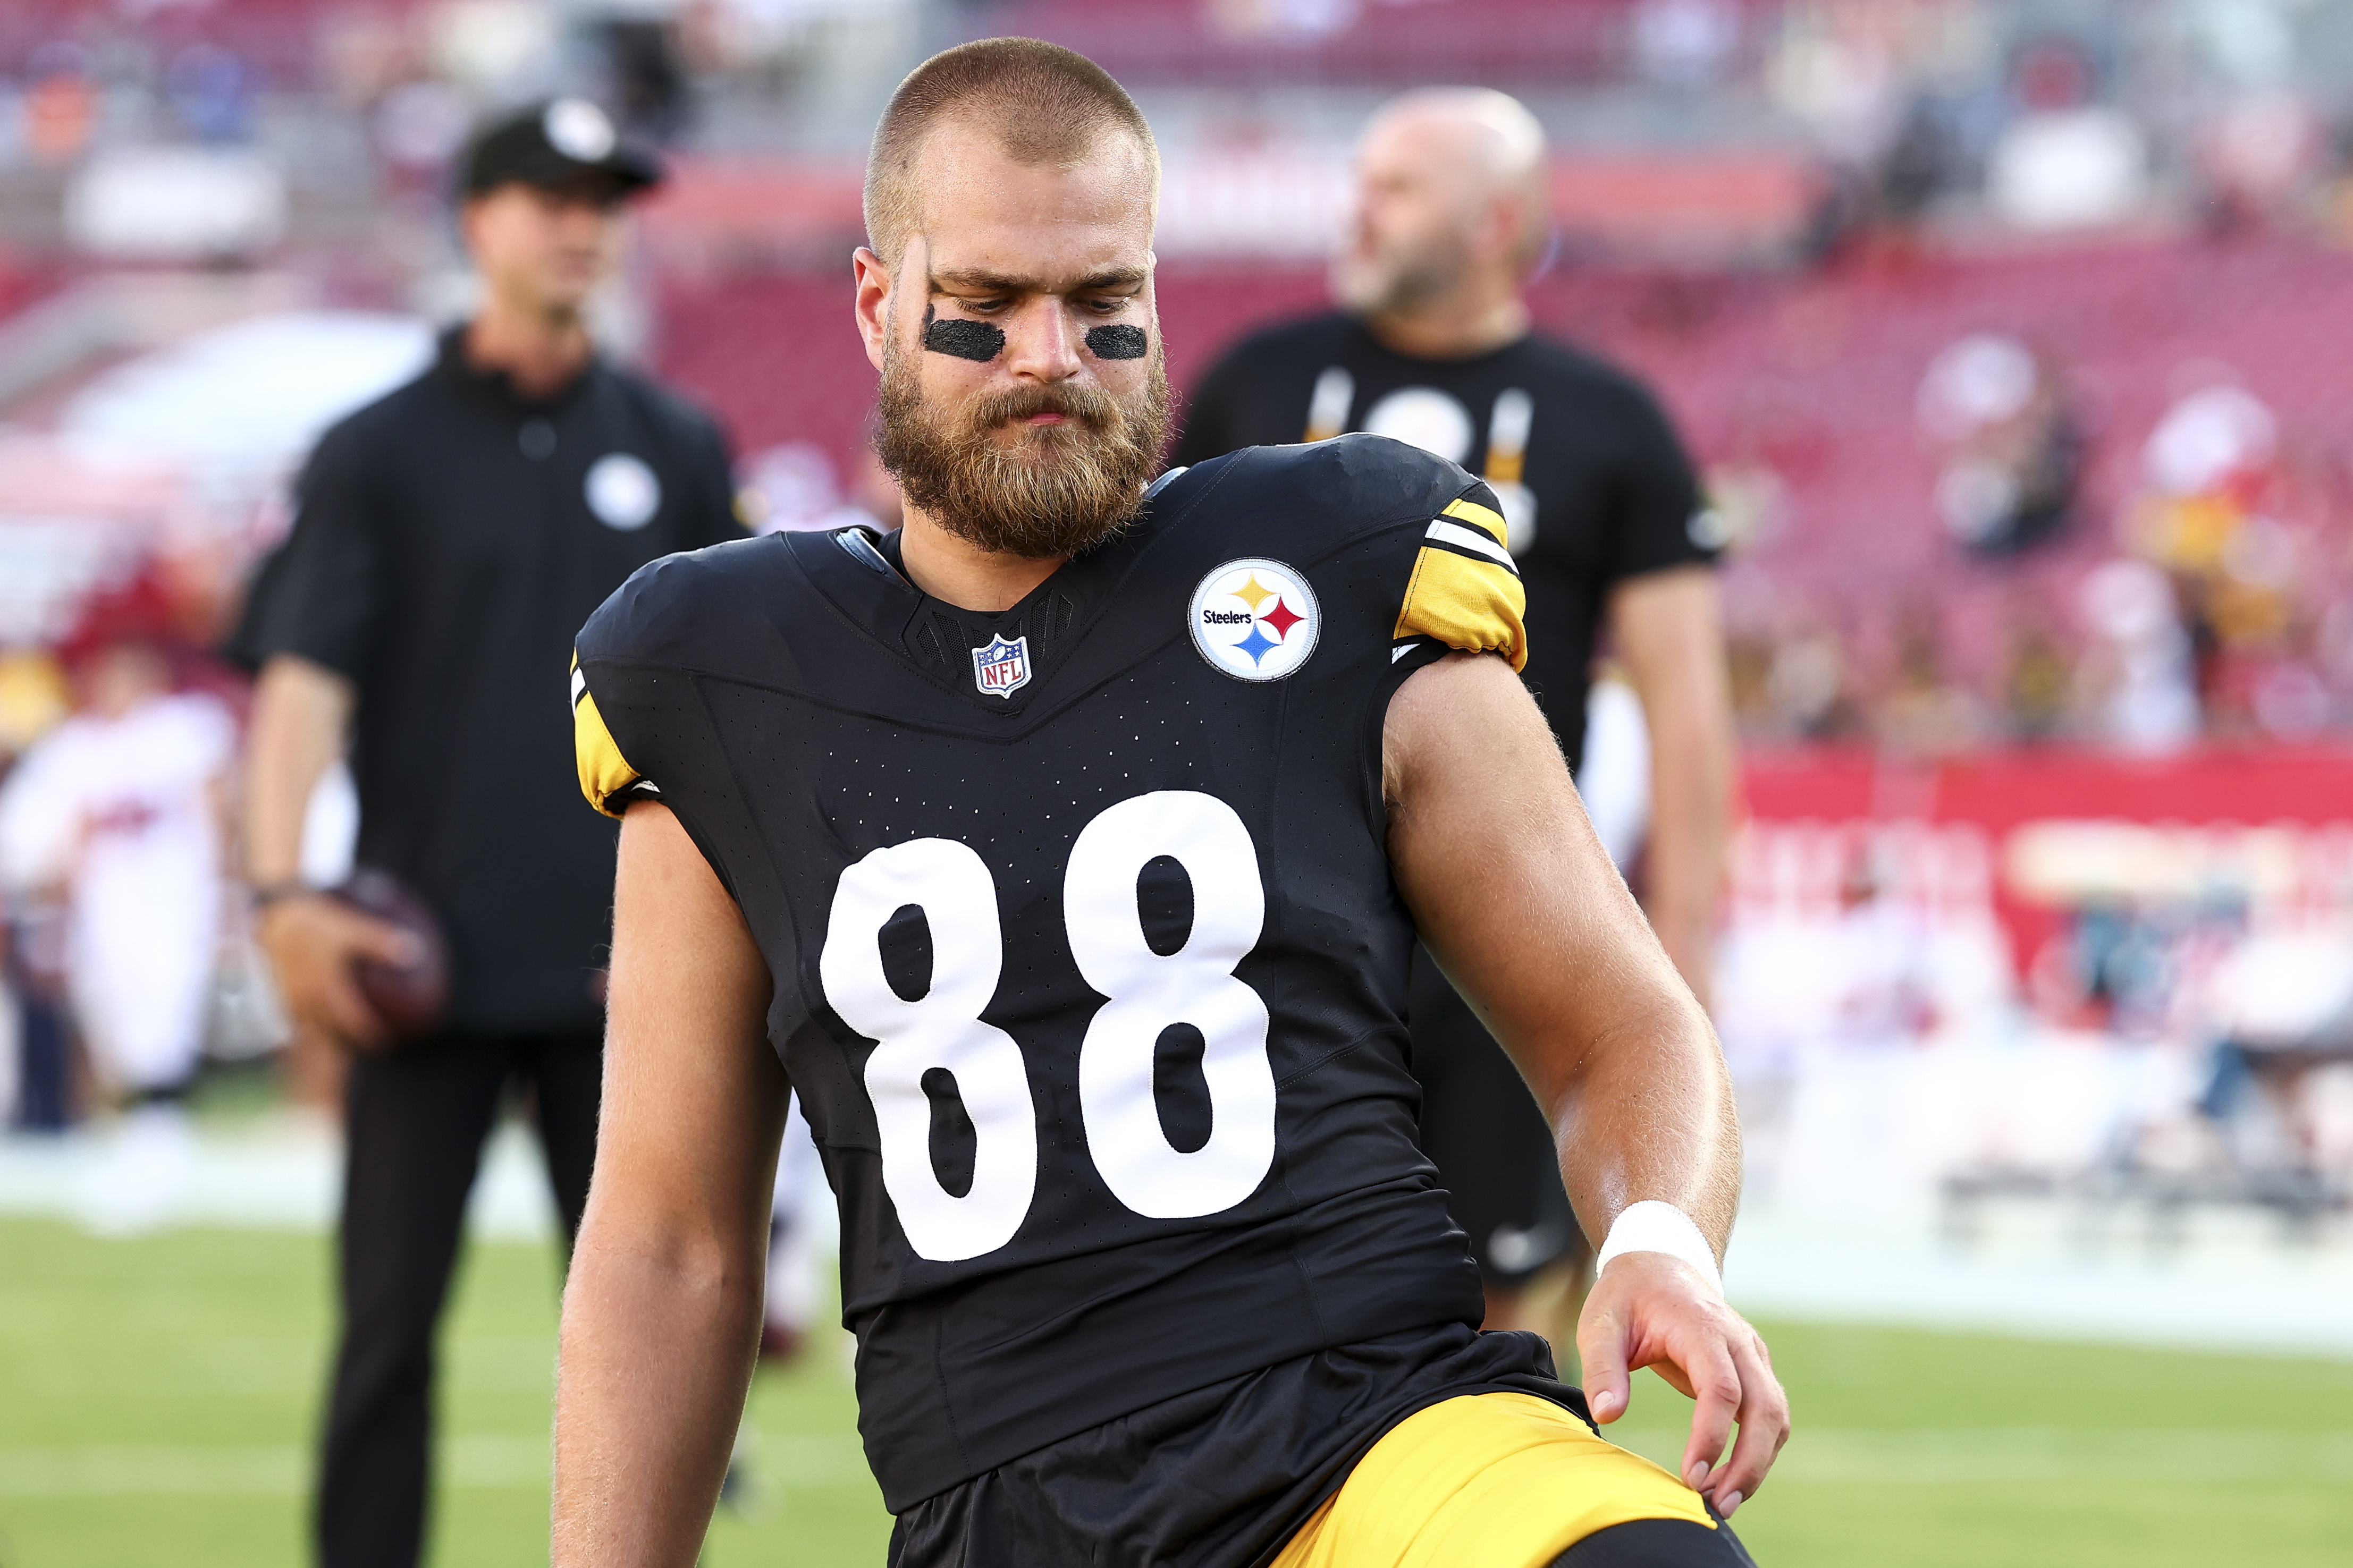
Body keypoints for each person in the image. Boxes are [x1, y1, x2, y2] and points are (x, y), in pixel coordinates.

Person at [555, 39, 1783, 1568]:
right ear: (880, 307)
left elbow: (1621, 1021)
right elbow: (672, 1242)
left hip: (1381, 1432)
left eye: (1099, 303)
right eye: (986, 305)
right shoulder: (722, 667)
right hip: (1000, 1501)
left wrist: (1660, 1239)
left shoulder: (1332, 562)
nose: (1048, 355)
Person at [229, 98, 743, 1568]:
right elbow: (300, 689)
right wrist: (281, 892)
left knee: (661, 1329)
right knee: (387, 1330)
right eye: (544, 192)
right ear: (474, 219)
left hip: (627, 977)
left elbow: (730, 707)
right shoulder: (375, 452)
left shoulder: (677, 442)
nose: (578, 220)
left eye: (601, 196)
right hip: (423, 961)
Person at [1172, 88, 1737, 1337]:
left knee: (1491, 1312)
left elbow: (1687, 706)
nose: (1355, 210)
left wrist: (1679, 957)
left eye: (1394, 187)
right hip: (1255, 923)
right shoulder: (1250, 386)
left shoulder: (1609, 421)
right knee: (1236, 1304)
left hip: (1500, 924)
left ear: (1495, 222)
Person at [0, 578, 233, 1226]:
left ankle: (161, 1155)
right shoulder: (79, 746)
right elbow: (55, 844)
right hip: (110, 914)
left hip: (173, 905)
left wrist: (226, 896)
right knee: (115, 1034)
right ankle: (140, 1152)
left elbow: (217, 815)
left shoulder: (184, 729)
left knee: (165, 1026)